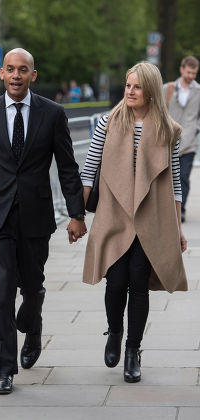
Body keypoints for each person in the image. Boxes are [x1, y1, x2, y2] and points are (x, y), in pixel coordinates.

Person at [0, 48, 87, 394]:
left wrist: (77, 214)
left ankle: (33, 322)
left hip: (35, 217)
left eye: (23, 70)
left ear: (34, 75)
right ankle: (4, 369)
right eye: (11, 69)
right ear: (1, 74)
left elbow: (67, 166)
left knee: (31, 286)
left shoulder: (53, 114)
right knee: (2, 291)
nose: (16, 75)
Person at [81, 61, 188, 383]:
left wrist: (178, 229)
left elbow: (175, 181)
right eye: (128, 85)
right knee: (115, 282)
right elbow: (89, 169)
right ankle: (115, 331)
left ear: (151, 91)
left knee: (138, 283)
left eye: (137, 86)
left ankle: (133, 350)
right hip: (114, 213)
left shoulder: (169, 131)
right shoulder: (107, 123)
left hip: (151, 217)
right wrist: (77, 215)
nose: (130, 91)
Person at [164, 56, 200, 223]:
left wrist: (196, 129)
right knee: (168, 178)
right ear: (181, 69)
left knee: (183, 177)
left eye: (194, 73)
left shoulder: (198, 91)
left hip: (189, 143)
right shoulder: (168, 89)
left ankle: (182, 210)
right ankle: (168, 209)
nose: (191, 76)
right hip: (169, 142)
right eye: (189, 72)